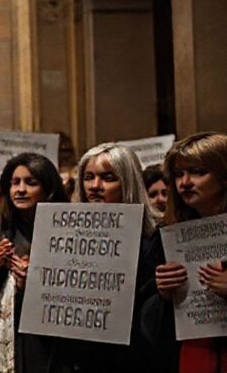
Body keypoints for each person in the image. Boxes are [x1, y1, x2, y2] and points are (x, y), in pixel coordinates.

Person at [50, 143, 161, 373]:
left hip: (132, 359)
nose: (95, 186)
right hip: (78, 359)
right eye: (88, 178)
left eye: (107, 177)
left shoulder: (154, 239)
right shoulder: (63, 239)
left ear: (128, 181)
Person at [0, 153, 68, 373]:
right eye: (15, 183)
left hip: (45, 340)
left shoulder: (65, 233)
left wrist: (37, 282)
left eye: (30, 183)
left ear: (48, 189)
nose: (20, 189)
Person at [141, 132, 227, 373]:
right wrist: (163, 295)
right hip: (191, 353)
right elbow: (146, 324)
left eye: (198, 172)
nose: (185, 182)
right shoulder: (167, 238)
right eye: (179, 174)